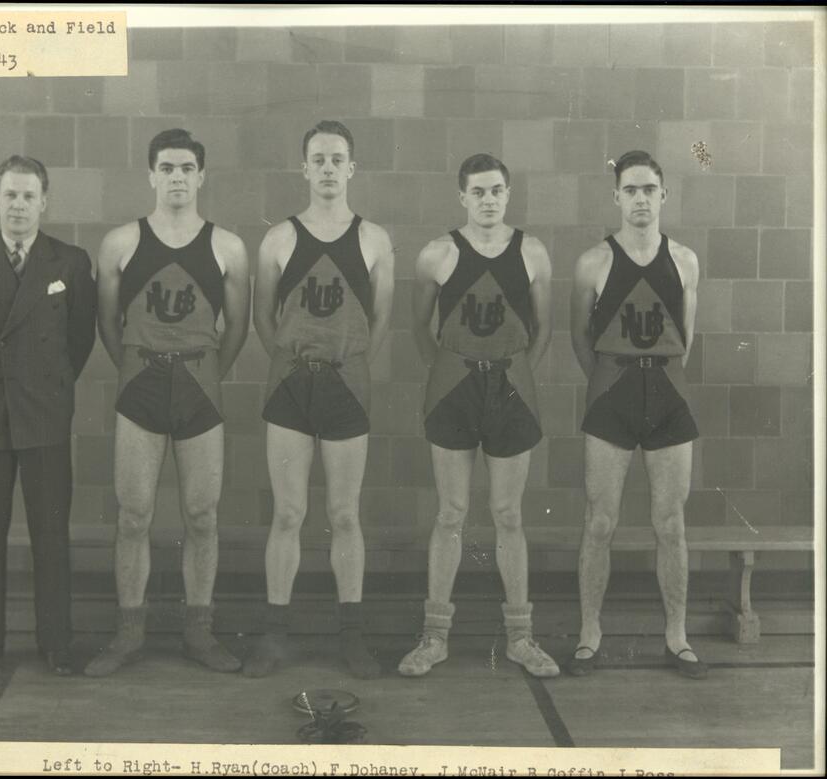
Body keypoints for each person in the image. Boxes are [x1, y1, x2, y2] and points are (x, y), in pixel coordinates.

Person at [84, 129, 250, 676]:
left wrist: (202, 373)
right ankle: (129, 633)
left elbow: (238, 328)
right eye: (167, 168)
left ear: (201, 176)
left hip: (201, 387)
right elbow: (108, 323)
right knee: (134, 515)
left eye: (187, 168)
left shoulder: (227, 246)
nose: (177, 177)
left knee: (202, 515)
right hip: (141, 388)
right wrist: (139, 367)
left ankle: (198, 633)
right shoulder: (120, 243)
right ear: (151, 175)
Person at [398, 153, 558, 678]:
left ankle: (520, 636)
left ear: (508, 194)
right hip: (454, 387)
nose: (488, 200)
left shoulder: (532, 251)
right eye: (478, 192)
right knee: (451, 513)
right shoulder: (438, 253)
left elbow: (542, 330)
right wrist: (452, 370)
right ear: (462, 197)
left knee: (509, 515)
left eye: (496, 191)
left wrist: (511, 374)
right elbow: (420, 328)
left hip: (511, 387)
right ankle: (435, 635)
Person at [244, 120, 394, 679]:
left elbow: (380, 321)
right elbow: (263, 318)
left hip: (347, 385)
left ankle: (351, 637)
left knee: (343, 514)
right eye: (318, 159)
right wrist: (295, 361)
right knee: (288, 512)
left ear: (352, 168)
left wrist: (345, 364)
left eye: (337, 159)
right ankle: (274, 634)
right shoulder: (278, 238)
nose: (328, 168)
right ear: (303, 168)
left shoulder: (374, 238)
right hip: (290, 386)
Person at [0, 155, 97, 676]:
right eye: (10, 194)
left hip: (45, 416)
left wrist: (46, 386)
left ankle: (56, 645)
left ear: (44, 202)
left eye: (28, 196)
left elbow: (79, 341)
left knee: (50, 535)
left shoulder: (70, 262)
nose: (18, 205)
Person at [569, 150, 704, 679]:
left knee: (670, 523)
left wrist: (655, 374)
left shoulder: (685, 260)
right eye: (630, 190)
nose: (641, 199)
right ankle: (588, 635)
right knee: (599, 521)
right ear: (616, 197)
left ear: (663, 195)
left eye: (650, 189)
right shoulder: (593, 262)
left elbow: (686, 339)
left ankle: (677, 637)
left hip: (668, 395)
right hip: (613, 395)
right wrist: (612, 382)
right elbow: (580, 337)